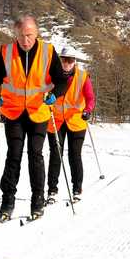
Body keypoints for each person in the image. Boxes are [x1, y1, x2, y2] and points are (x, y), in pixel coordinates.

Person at [0, 14, 66, 220]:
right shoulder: (7, 51)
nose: (25, 40)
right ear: (15, 34)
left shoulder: (48, 51)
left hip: (38, 111)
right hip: (13, 111)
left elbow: (61, 80)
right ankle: (7, 202)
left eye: (29, 35)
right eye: (21, 35)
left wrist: (54, 94)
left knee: (35, 154)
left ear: (36, 33)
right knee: (13, 154)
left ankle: (37, 200)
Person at [46, 47, 95, 202]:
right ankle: (52, 190)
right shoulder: (52, 75)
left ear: (75, 61)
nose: (67, 63)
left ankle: (77, 189)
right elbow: (43, 92)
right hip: (56, 120)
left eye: (70, 60)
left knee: (74, 155)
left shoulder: (82, 76)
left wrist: (88, 110)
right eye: (64, 60)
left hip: (76, 120)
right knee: (55, 154)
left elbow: (90, 98)